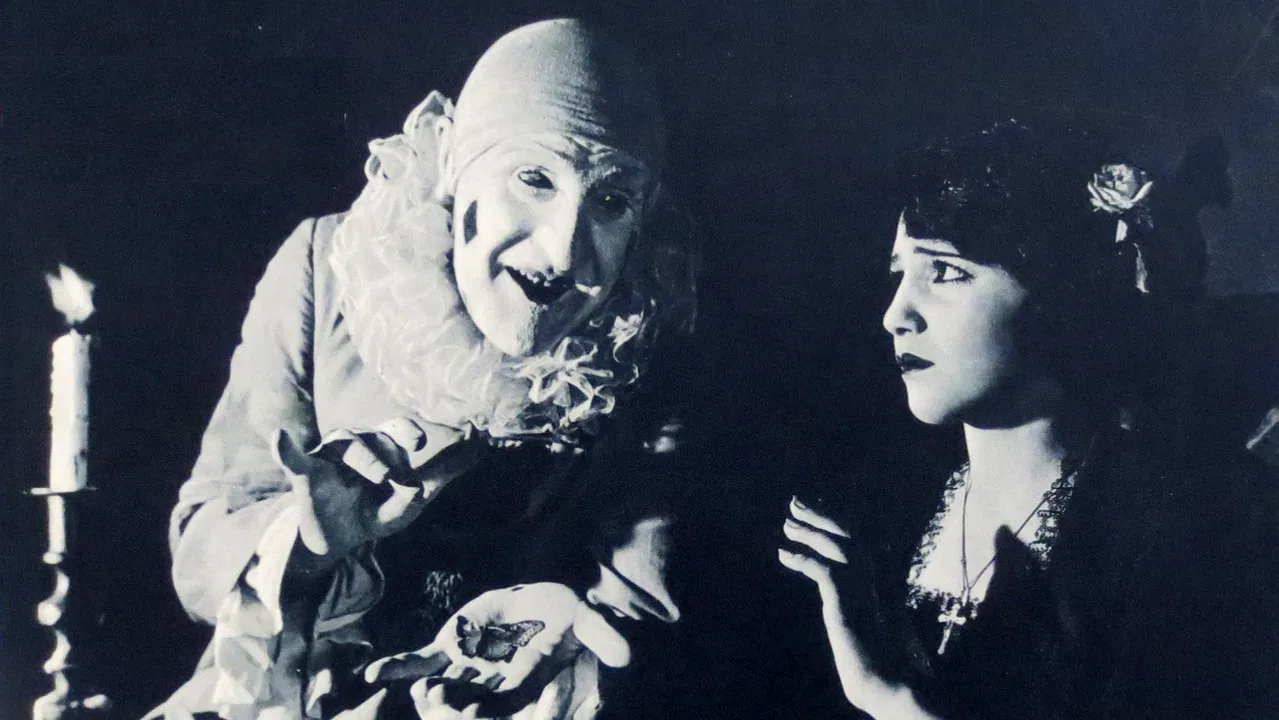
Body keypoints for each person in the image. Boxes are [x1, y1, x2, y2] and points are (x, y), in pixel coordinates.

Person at [147, 18, 698, 720]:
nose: (563, 251)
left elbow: (644, 601)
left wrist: (571, 643)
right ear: (456, 170)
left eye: (612, 202)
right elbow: (201, 555)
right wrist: (308, 541)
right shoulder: (327, 268)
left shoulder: (646, 336)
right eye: (534, 179)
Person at [778, 120, 1279, 719]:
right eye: (898, 275)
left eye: (946, 272)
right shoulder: (881, 509)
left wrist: (890, 701)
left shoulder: (1182, 526)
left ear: (1058, 292)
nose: (896, 315)